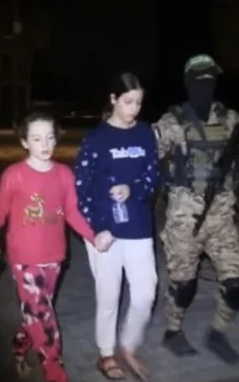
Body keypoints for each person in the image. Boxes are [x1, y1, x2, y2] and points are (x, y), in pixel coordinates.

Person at [152, 54, 239, 364]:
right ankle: (173, 331)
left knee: (236, 285)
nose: (206, 85)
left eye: (210, 79)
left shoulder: (229, 118)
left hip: (222, 217)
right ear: (188, 83)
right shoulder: (172, 122)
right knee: (184, 286)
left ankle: (218, 332)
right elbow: (145, 154)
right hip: (184, 219)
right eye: (199, 80)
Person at [0, 111, 107, 382]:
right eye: (37, 138)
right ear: (24, 142)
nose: (45, 144)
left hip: (54, 256)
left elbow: (72, 212)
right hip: (23, 259)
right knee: (44, 316)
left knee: (36, 312)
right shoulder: (14, 175)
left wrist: (93, 236)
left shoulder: (64, 174)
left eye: (50, 138)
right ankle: (55, 371)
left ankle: (19, 348)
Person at [74, 72, 160, 381]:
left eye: (138, 102)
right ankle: (106, 353)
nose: (134, 109)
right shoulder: (95, 139)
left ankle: (129, 344)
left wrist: (132, 189)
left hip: (138, 225)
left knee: (145, 293)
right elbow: (80, 190)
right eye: (128, 102)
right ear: (113, 99)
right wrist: (96, 228)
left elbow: (153, 176)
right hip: (104, 231)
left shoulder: (146, 134)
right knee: (109, 295)